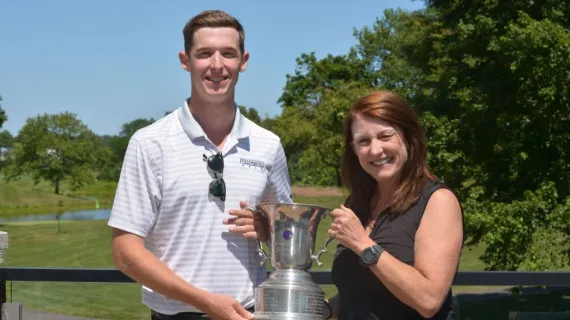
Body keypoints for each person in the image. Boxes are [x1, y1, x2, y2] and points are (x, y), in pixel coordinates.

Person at [108, 10, 292, 320]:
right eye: (205, 54)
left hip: (253, 312)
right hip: (177, 314)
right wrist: (204, 300)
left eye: (228, 54)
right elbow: (125, 252)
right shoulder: (149, 143)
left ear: (243, 61)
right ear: (186, 60)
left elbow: (290, 237)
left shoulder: (268, 145)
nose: (217, 65)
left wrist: (268, 229)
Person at [326, 91, 464, 319]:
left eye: (385, 136)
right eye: (363, 141)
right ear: (353, 150)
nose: (375, 150)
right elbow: (365, 294)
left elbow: (428, 300)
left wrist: (362, 244)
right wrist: (321, 310)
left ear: (409, 137)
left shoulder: (438, 201)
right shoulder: (357, 204)